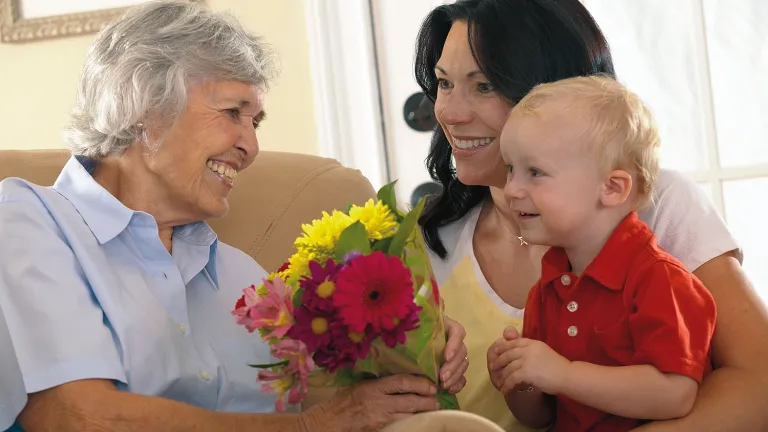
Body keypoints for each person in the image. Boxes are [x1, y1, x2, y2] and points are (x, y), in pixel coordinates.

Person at [0, 2, 469, 431]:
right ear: (144, 107)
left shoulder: (242, 276)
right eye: (232, 112)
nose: (251, 146)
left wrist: (414, 336)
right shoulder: (28, 221)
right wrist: (313, 427)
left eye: (255, 122)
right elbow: (77, 417)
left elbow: (346, 369)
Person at [414, 0, 768, 430]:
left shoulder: (654, 202)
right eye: (444, 83)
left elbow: (760, 380)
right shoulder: (428, 243)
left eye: (484, 86)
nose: (449, 113)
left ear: (555, 89)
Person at [488, 76, 717, 431]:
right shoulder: (546, 291)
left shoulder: (660, 279)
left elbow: (675, 394)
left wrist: (563, 374)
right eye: (510, 170)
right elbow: (541, 417)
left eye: (535, 172)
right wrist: (520, 379)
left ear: (611, 187)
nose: (512, 189)